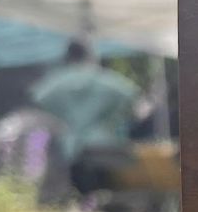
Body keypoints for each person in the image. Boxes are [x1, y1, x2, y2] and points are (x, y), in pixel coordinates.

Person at [30, 39, 140, 192]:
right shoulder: (105, 79)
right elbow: (130, 95)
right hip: (103, 144)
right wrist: (112, 118)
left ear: (68, 56)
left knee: (77, 191)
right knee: (105, 189)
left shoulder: (55, 82)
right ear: (90, 55)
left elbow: (38, 99)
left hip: (69, 146)